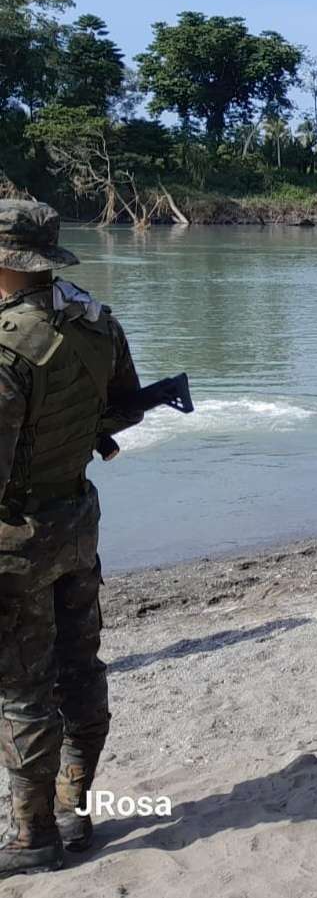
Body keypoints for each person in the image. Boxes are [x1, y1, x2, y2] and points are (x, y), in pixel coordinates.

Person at [0, 201, 144, 877]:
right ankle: (71, 810)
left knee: (22, 689)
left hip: (16, 539)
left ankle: (33, 838)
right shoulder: (94, 319)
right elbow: (122, 407)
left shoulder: (6, 345)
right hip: (75, 523)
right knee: (79, 670)